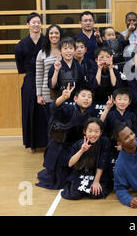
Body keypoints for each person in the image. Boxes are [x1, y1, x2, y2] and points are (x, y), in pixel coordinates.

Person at [36, 85, 99, 190]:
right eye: (83, 96)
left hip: (74, 149)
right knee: (59, 182)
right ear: (75, 98)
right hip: (58, 148)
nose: (87, 98)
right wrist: (63, 98)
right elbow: (54, 107)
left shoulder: (91, 114)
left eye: (89, 97)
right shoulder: (68, 109)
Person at [15, 12, 46, 153]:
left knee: (44, 110)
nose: (36, 24)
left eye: (38, 22)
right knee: (29, 110)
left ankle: (46, 142)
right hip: (30, 79)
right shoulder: (21, 45)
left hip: (45, 78)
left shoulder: (46, 42)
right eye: (33, 22)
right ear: (27, 25)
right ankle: (31, 144)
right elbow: (20, 68)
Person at [61, 117, 113, 200]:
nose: (93, 134)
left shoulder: (104, 142)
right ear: (84, 131)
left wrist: (96, 181)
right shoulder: (78, 144)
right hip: (82, 173)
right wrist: (81, 151)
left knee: (95, 194)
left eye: (96, 131)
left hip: (97, 174)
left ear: (101, 132)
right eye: (90, 131)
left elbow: (102, 162)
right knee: (74, 195)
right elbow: (70, 164)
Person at [101, 87, 137, 166]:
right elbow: (99, 124)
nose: (122, 102)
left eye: (125, 99)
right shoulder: (110, 114)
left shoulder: (132, 115)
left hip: (130, 147)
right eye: (119, 99)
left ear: (129, 102)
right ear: (114, 101)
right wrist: (107, 108)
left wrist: (124, 146)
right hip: (111, 147)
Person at [35, 24, 63, 134]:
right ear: (48, 36)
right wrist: (39, 95)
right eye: (51, 33)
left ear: (60, 35)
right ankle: (51, 149)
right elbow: (39, 75)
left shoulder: (65, 51)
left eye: (56, 33)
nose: (54, 35)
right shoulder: (42, 53)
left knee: (62, 122)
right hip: (47, 93)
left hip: (63, 93)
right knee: (50, 123)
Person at [48, 37, 86, 101]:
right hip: (59, 101)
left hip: (75, 101)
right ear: (60, 51)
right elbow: (52, 86)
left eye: (71, 48)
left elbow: (82, 86)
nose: (68, 51)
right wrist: (56, 71)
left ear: (74, 50)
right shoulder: (55, 66)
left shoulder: (79, 66)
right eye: (65, 48)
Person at [92, 46, 120, 117]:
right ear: (96, 60)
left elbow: (115, 86)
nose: (104, 59)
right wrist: (99, 69)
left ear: (111, 58)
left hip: (111, 102)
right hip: (96, 101)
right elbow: (95, 86)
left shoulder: (114, 71)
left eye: (107, 57)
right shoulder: (93, 70)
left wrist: (111, 69)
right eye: (101, 57)